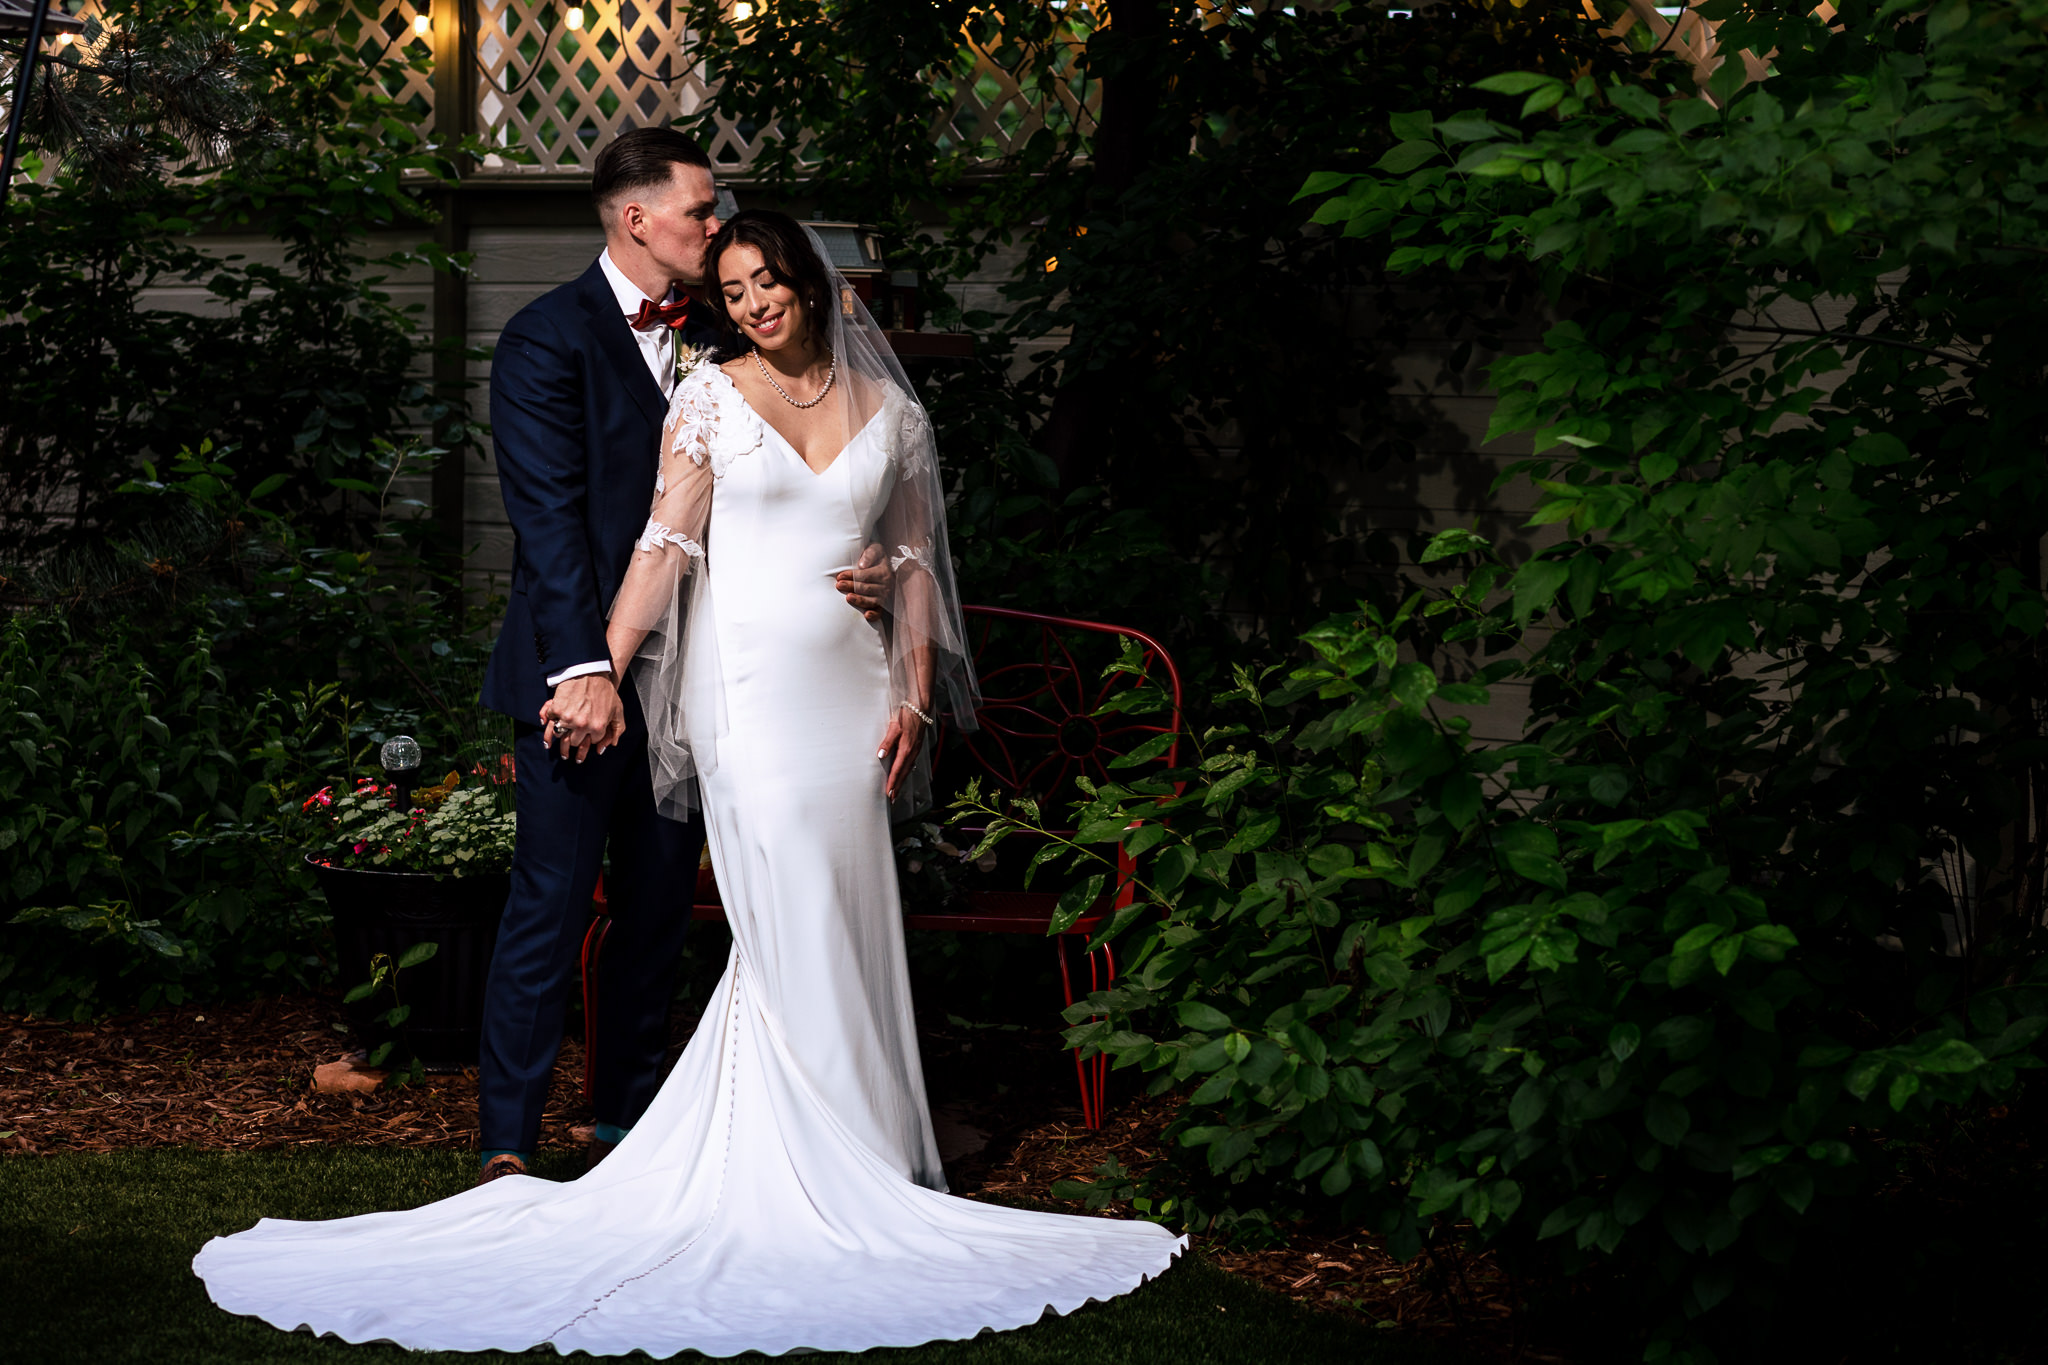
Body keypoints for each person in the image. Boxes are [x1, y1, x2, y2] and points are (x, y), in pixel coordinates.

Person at [192, 211, 1183, 1355]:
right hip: (748, 697)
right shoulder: (709, 397)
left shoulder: (895, 414)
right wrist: (598, 670)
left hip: (852, 699)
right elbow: (663, 548)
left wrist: (912, 694)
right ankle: (808, 1162)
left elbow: (911, 560)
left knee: (849, 907)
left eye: (769, 280)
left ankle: (862, 1150)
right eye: (736, 288)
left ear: (808, 284)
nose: (756, 301)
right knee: (784, 905)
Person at [471, 127, 890, 1183]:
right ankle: (507, 1142)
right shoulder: (541, 338)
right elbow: (550, 526)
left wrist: (874, 555)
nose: (717, 224)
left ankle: (624, 1124)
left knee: (658, 907)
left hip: (711, 673)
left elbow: (825, 464)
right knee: (551, 905)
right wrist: (588, 673)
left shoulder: (740, 324)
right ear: (636, 218)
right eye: (701, 211)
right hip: (582, 676)